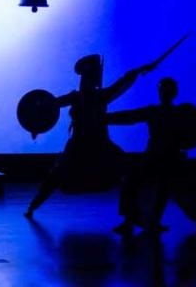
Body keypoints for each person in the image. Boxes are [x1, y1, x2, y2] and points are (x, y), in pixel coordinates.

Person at [24, 55, 155, 218]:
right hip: (79, 145)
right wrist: (35, 125)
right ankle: (32, 207)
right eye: (85, 76)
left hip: (100, 144)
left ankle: (131, 217)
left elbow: (123, 82)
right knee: (56, 175)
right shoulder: (77, 96)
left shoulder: (101, 95)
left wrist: (139, 70)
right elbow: (50, 104)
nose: (86, 79)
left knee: (130, 171)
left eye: (90, 75)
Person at [108, 78, 196, 235]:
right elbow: (129, 117)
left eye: (166, 90)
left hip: (169, 159)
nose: (164, 93)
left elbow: (130, 117)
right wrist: (105, 118)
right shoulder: (159, 112)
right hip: (157, 158)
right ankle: (132, 222)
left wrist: (104, 119)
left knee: (187, 186)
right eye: (162, 89)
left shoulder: (175, 113)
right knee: (135, 182)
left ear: (173, 93)